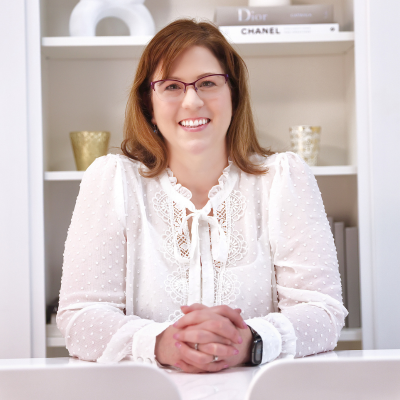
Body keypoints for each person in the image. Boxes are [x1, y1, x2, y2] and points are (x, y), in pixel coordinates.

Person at [57, 18, 348, 373]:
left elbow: (324, 311)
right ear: (149, 103)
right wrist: (164, 344)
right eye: (172, 86)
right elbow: (80, 318)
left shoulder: (284, 178)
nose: (192, 101)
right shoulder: (112, 181)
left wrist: (250, 342)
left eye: (208, 83)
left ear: (234, 95)